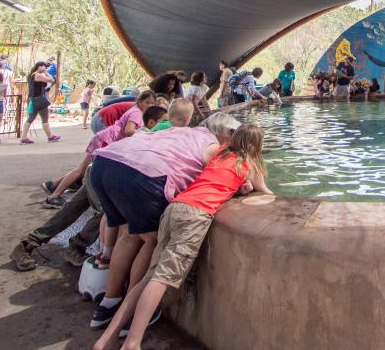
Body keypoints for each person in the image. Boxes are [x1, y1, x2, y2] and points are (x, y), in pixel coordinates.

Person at [94, 124, 269, 350]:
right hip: (195, 215)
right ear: (256, 146)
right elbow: (266, 192)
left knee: (149, 277)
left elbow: (216, 180)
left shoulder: (221, 153)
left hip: (174, 207)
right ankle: (132, 343)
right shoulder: (250, 164)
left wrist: (239, 188)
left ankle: (107, 338)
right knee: (163, 279)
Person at [87, 111, 231, 329]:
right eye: (232, 135)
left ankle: (109, 301)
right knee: (151, 240)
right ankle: (132, 309)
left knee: (128, 235)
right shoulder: (213, 145)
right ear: (223, 133)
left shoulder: (180, 131)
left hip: (105, 164)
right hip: (142, 175)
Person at [42, 95, 162, 209]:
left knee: (81, 169)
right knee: (81, 170)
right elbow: (129, 131)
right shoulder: (137, 113)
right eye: (147, 102)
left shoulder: (135, 109)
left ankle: (53, 185)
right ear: (140, 101)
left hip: (104, 138)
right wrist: (146, 134)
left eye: (152, 103)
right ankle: (53, 197)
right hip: (105, 140)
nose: (150, 105)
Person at [20, 61, 58, 144]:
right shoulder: (38, 75)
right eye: (44, 67)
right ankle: (50, 136)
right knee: (44, 118)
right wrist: (46, 72)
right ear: (39, 67)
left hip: (33, 99)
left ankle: (23, 137)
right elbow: (51, 80)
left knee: (31, 118)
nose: (46, 68)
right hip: (39, 100)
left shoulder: (32, 75)